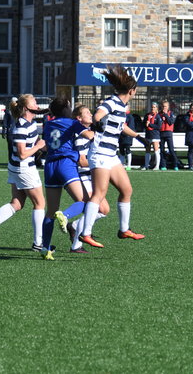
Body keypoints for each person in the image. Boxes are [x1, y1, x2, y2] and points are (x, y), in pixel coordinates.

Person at [79, 65, 145, 249]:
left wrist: (139, 137)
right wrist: (97, 122)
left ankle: (124, 230)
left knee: (127, 190)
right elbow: (99, 113)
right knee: (99, 194)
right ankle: (86, 233)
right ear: (132, 91)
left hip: (111, 154)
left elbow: (121, 126)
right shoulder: (113, 101)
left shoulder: (122, 106)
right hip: (100, 153)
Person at [0, 94, 47, 254]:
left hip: (17, 168)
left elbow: (35, 144)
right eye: (34, 103)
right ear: (26, 108)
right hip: (24, 168)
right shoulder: (21, 127)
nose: (37, 105)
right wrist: (39, 147)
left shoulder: (31, 123)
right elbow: (23, 154)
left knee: (17, 203)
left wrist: (45, 146)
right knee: (40, 204)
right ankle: (38, 243)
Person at [40, 97, 95, 257]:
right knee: (86, 202)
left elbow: (46, 145)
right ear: (66, 109)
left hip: (50, 166)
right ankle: (66, 215)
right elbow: (89, 135)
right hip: (66, 163)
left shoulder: (48, 124)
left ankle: (45, 248)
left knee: (50, 211)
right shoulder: (72, 123)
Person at [68, 105, 110, 252]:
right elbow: (81, 161)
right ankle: (76, 245)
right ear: (79, 118)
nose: (91, 114)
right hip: (83, 175)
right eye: (87, 113)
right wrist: (101, 162)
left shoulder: (90, 132)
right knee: (99, 208)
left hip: (92, 175)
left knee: (104, 210)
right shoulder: (80, 136)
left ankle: (74, 226)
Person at [118, 105, 142, 170]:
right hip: (121, 136)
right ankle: (122, 164)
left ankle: (129, 165)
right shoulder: (121, 116)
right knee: (121, 150)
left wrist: (126, 133)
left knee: (127, 150)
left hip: (127, 136)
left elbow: (131, 127)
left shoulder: (130, 117)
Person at [158, 100, 178, 171]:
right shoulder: (159, 114)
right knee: (162, 150)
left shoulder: (171, 113)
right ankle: (163, 165)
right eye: (163, 106)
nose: (164, 108)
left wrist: (166, 115)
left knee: (171, 150)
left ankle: (175, 165)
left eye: (166, 106)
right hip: (161, 133)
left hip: (168, 133)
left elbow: (171, 122)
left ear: (168, 107)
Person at [143, 103, 162, 170]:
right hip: (148, 135)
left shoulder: (158, 116)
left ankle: (157, 166)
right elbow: (144, 124)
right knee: (147, 150)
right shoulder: (147, 115)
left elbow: (159, 126)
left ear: (157, 108)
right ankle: (146, 165)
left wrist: (150, 125)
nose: (152, 109)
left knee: (156, 149)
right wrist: (146, 125)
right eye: (152, 107)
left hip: (155, 135)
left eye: (154, 107)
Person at [1, 97, 17, 162]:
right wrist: (4, 130)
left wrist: (4, 131)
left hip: (15, 131)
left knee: (14, 148)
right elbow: (5, 122)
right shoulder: (8, 112)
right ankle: (11, 161)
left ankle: (13, 161)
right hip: (11, 132)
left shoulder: (19, 111)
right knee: (11, 148)